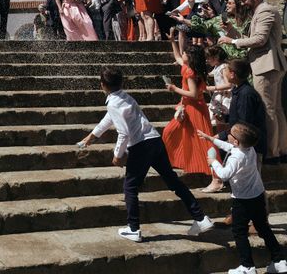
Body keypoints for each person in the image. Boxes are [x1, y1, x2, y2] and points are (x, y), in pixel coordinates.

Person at [78, 67, 214, 243]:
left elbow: (124, 132)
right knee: (173, 181)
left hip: (140, 145)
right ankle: (201, 218)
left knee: (130, 187)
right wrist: (93, 135)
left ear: (102, 85)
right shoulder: (124, 96)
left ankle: (133, 228)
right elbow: (110, 118)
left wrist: (117, 154)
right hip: (154, 140)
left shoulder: (113, 102)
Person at [198, 123, 287, 274]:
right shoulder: (248, 149)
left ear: (236, 141)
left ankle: (247, 266)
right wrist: (210, 139)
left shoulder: (237, 157)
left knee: (239, 231)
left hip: (243, 200)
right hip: (257, 195)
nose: (228, 134)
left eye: (230, 134)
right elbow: (228, 146)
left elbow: (225, 174)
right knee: (263, 228)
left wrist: (213, 163)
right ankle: (279, 261)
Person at [219, 0, 287, 164]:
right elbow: (250, 36)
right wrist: (231, 33)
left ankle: (273, 153)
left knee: (269, 110)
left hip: (266, 65)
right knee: (276, 109)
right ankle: (280, 149)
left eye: (244, 0)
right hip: (268, 64)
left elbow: (260, 39)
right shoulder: (261, 11)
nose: (243, 4)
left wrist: (232, 40)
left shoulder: (265, 10)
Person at [163, 38, 223, 191]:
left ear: (189, 57)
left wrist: (174, 89)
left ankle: (217, 179)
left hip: (195, 109)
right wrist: (172, 42)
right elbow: (177, 57)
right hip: (189, 108)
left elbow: (194, 93)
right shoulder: (188, 67)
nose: (182, 54)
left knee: (205, 142)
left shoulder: (190, 72)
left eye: (184, 53)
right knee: (169, 132)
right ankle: (182, 161)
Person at [205, 46, 231, 128]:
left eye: (208, 58)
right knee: (218, 120)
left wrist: (213, 88)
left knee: (223, 121)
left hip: (225, 96)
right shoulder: (216, 66)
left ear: (216, 57)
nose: (207, 60)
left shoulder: (224, 67)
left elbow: (229, 84)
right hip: (218, 96)